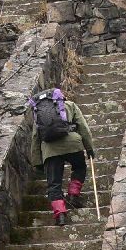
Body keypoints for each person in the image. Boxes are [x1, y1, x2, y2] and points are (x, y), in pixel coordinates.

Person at [30, 88, 96, 227]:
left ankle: (60, 215)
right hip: (73, 144)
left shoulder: (38, 113)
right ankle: (73, 195)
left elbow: (36, 137)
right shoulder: (70, 105)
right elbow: (83, 127)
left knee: (54, 184)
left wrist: (37, 162)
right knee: (79, 167)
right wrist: (89, 148)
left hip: (50, 149)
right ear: (60, 97)